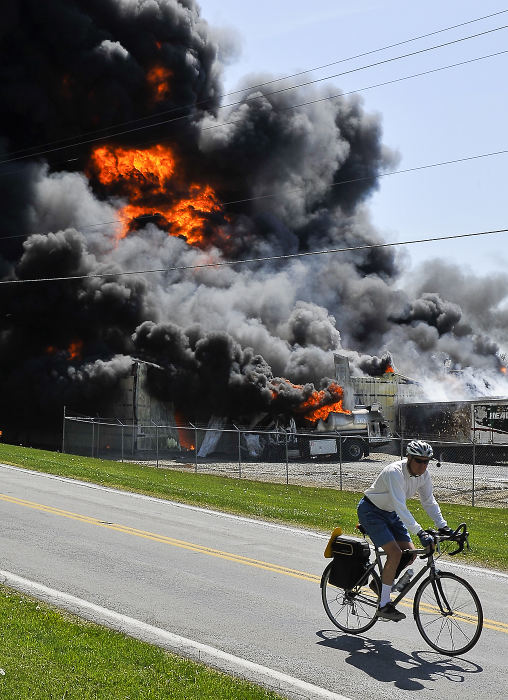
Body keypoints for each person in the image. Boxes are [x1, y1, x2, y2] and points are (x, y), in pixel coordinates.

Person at [357, 440, 453, 622]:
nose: (423, 465)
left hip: (391, 513)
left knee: (409, 554)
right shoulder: (395, 472)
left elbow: (429, 501)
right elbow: (401, 506)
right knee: (394, 553)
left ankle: (382, 584)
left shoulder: (424, 475)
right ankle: (384, 605)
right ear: (408, 458)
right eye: (419, 461)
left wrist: (443, 526)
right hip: (371, 511)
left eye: (427, 462)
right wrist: (420, 532)